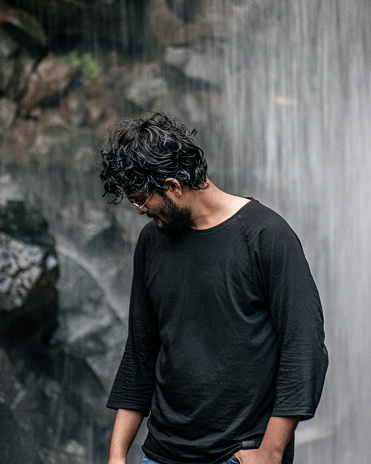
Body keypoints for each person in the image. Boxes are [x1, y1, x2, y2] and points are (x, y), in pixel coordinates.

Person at [100, 112, 328, 464]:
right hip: (161, 454)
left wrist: (270, 452)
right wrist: (116, 456)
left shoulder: (266, 236)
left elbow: (304, 347)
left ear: (174, 186)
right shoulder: (151, 242)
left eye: (142, 200)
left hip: (239, 455)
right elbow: (141, 351)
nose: (140, 211)